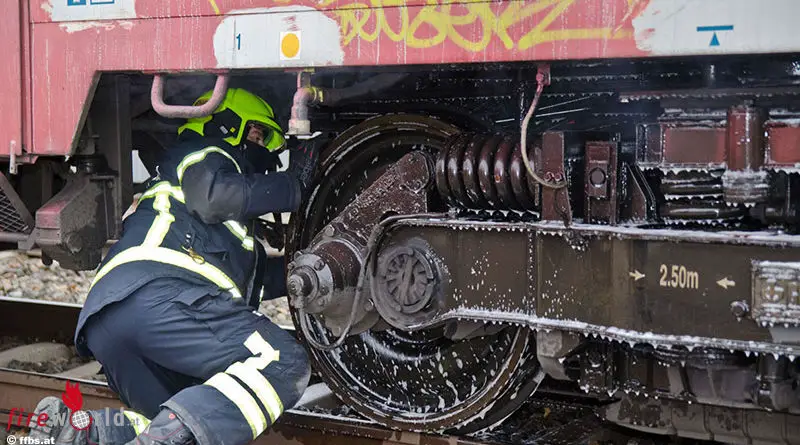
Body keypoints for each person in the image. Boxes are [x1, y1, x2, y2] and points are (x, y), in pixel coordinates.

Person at [28, 88, 320, 445]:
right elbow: (213, 197)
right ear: (228, 126)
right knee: (282, 360)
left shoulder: (225, 235)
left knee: (185, 415)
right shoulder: (202, 153)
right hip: (161, 298)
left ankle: (80, 432)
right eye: (257, 135)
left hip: (109, 323)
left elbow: (264, 279)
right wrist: (293, 185)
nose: (262, 149)